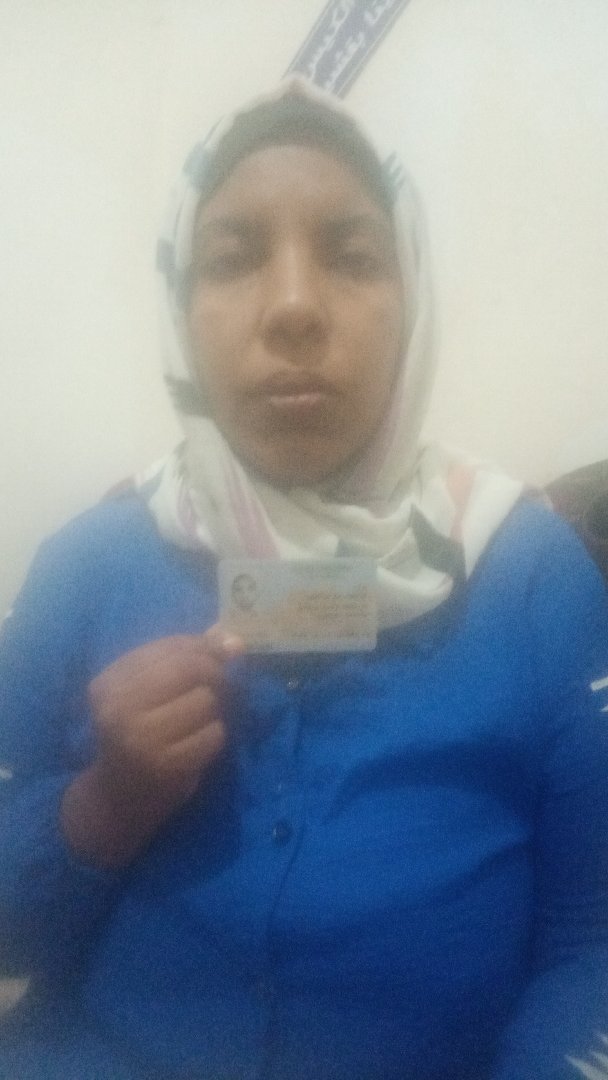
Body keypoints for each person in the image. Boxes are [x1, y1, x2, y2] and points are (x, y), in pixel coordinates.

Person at [1, 77, 607, 1080]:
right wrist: (105, 804)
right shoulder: (85, 565)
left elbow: (594, 939)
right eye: (233, 257)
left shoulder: (529, 574)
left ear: (414, 301)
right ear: (179, 305)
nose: (292, 307)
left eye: (354, 256)